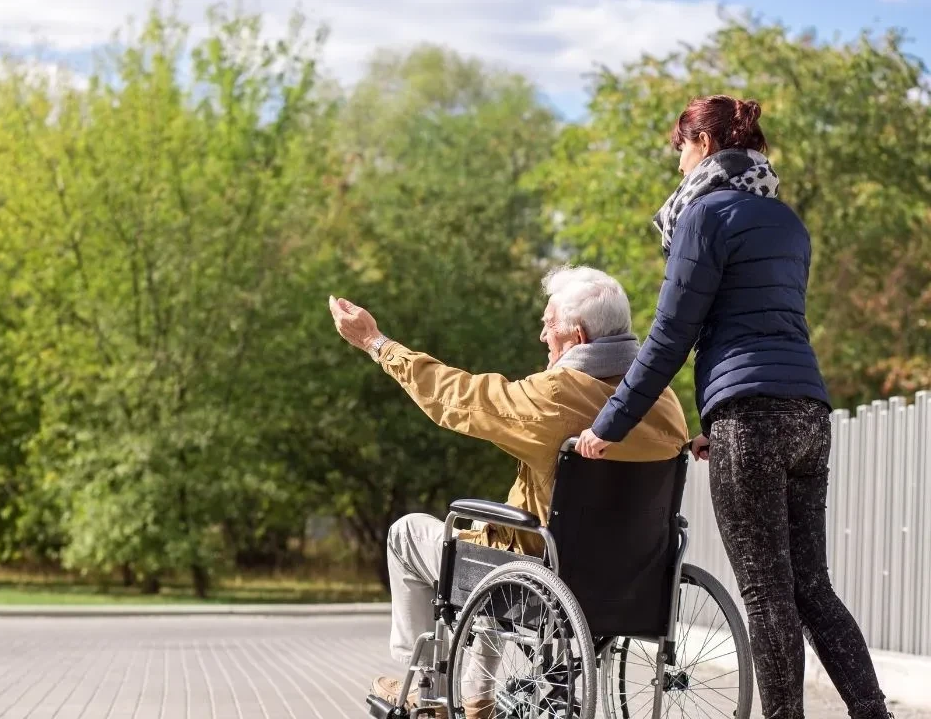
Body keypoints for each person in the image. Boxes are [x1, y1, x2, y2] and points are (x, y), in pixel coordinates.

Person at [573, 95, 891, 719]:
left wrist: (609, 425)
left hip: (751, 417)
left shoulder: (704, 217)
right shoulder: (786, 221)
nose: (678, 164)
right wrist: (718, 420)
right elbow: (762, 325)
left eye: (681, 148)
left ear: (704, 145)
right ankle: (872, 712)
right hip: (807, 412)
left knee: (767, 592)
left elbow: (672, 335)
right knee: (810, 586)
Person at [328, 266, 689, 717]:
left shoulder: (554, 396)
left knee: (412, 534)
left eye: (548, 323)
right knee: (501, 534)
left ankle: (427, 686)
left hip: (547, 579)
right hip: (634, 582)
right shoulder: (665, 401)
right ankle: (477, 695)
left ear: (575, 335)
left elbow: (457, 397)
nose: (542, 336)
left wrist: (376, 344)